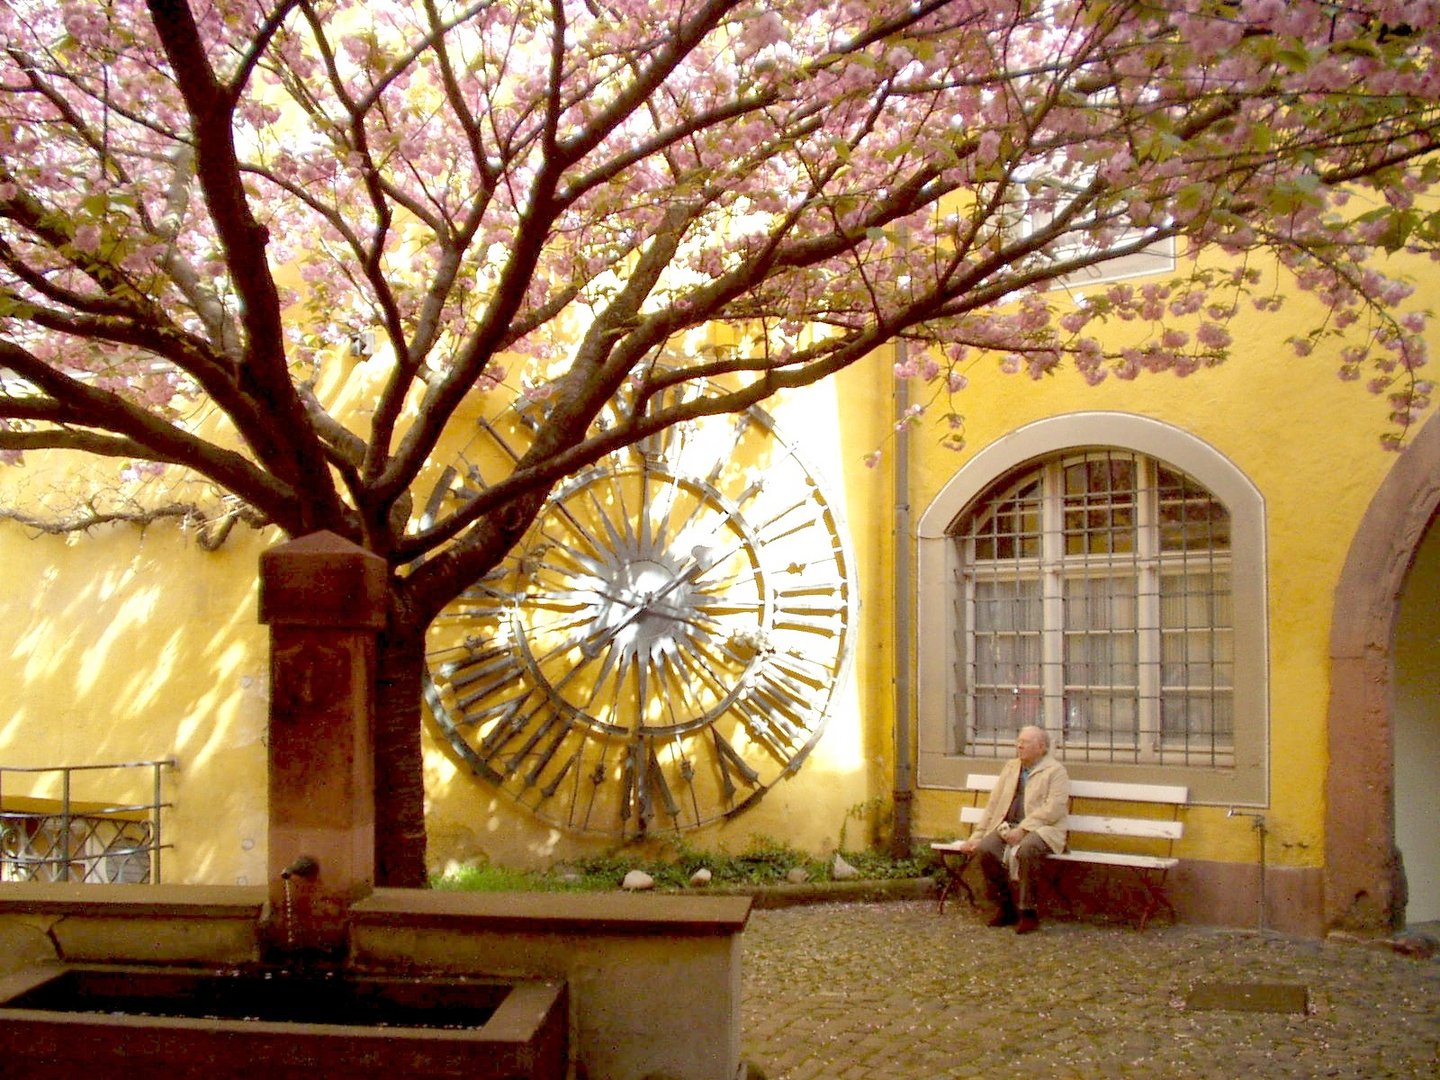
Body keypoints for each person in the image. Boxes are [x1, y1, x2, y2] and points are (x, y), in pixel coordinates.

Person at [954, 725, 1069, 934]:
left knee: (1027, 850)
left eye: (1025, 742)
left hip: (1044, 830)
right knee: (986, 849)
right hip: (1008, 827)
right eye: (1019, 741)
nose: (1019, 745)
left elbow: (1055, 808)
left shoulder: (1056, 771)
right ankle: (1005, 907)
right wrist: (978, 836)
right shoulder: (1011, 768)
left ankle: (1028, 912)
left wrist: (1025, 829)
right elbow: (994, 805)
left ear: (1041, 747)